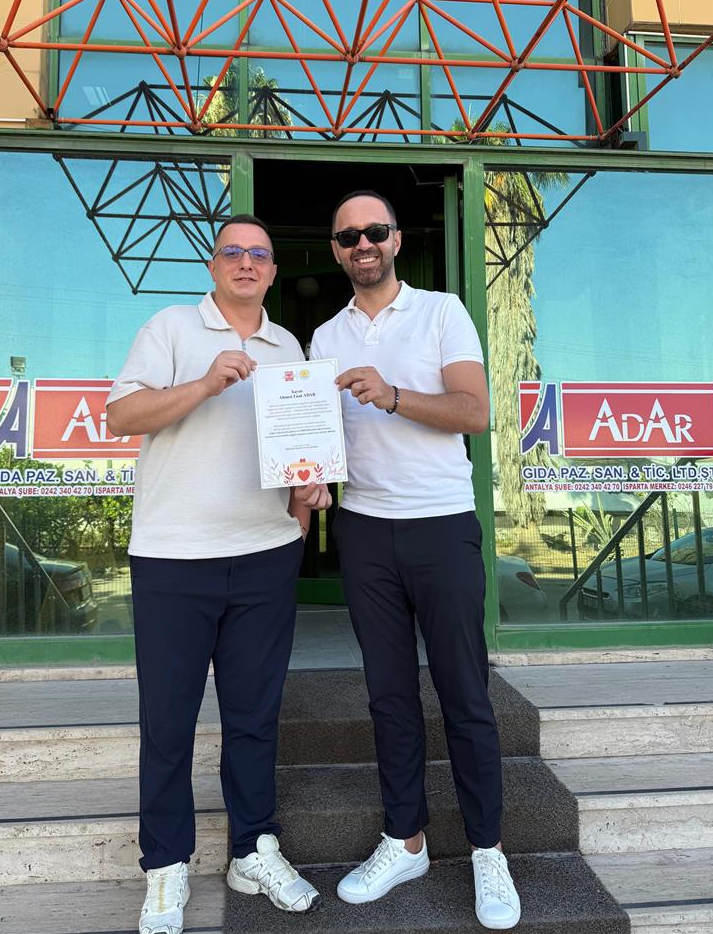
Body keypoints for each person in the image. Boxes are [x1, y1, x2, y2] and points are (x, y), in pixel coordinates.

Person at [107, 215, 326, 934]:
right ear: (213, 265)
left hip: (265, 556)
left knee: (254, 718)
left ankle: (252, 850)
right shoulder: (171, 328)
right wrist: (204, 384)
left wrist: (305, 502)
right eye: (233, 251)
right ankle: (166, 867)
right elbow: (121, 415)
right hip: (173, 557)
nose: (246, 263)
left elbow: (297, 449)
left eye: (259, 254)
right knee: (168, 723)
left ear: (272, 270)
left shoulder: (286, 346)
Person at [309, 191, 521, 931]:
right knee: (389, 695)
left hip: (440, 525)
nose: (362, 244)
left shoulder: (442, 311)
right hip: (366, 531)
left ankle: (488, 849)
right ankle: (406, 842)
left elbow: (474, 412)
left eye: (375, 231)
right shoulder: (325, 334)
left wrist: (394, 394)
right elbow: (318, 434)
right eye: (348, 236)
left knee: (465, 691)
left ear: (396, 239)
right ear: (336, 250)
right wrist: (309, 476)